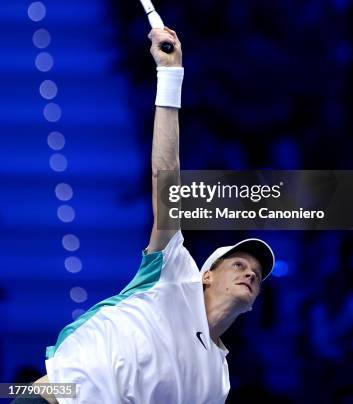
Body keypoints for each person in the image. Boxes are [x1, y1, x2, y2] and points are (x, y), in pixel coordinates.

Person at [16, 27, 274, 404]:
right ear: (206, 274)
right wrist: (170, 75)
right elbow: (165, 174)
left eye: (256, 273)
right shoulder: (173, 272)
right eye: (238, 264)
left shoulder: (217, 382)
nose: (250, 272)